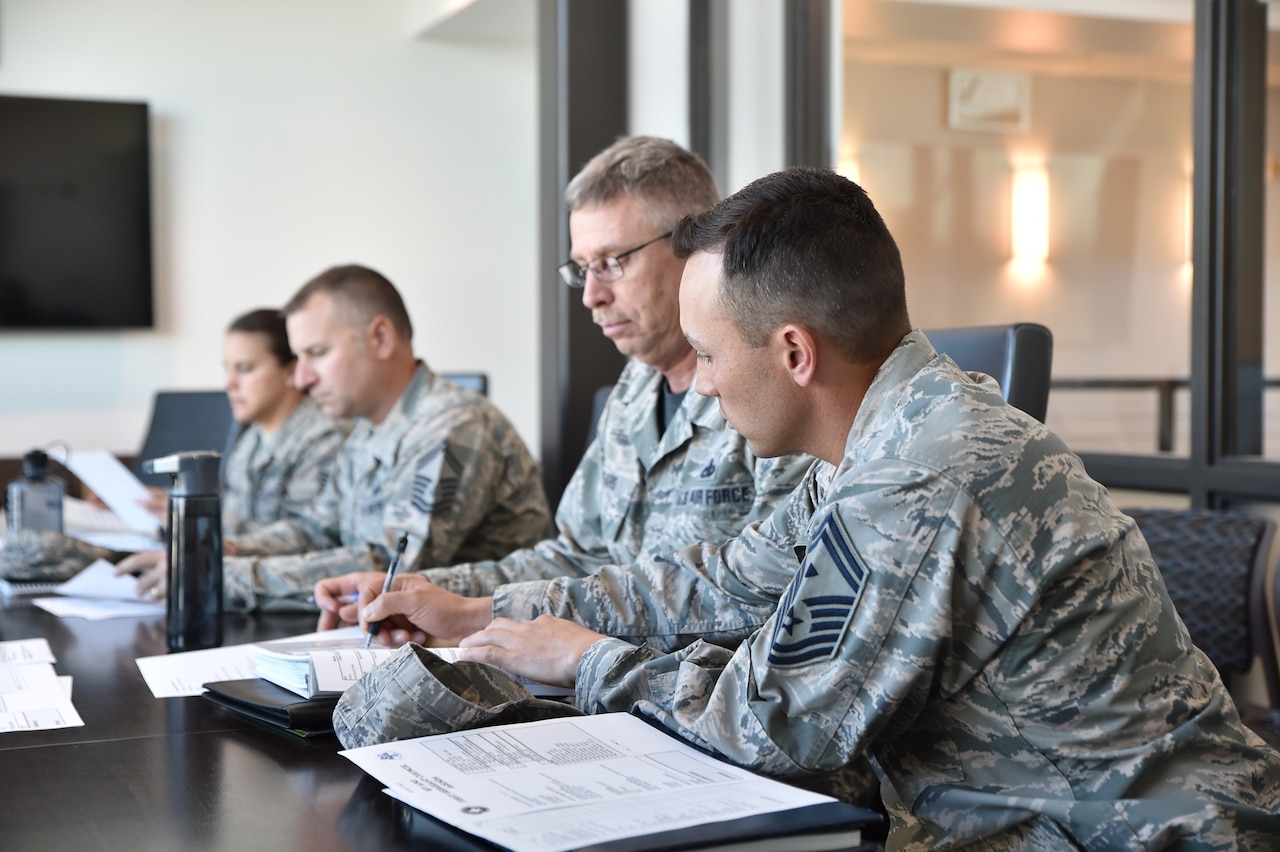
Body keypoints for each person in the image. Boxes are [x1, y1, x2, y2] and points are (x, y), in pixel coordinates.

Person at [355, 168, 1280, 846]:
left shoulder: (921, 472)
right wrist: (499, 616)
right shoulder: (885, 435)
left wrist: (592, 663)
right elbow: (724, 582)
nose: (704, 389)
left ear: (795, 354)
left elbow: (778, 726)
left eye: (711, 357)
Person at [313, 137, 814, 654]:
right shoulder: (633, 389)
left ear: (692, 247)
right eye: (582, 269)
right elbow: (575, 558)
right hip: (603, 683)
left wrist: (475, 614)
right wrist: (430, 592)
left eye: (612, 262)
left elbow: (766, 596)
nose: (592, 295)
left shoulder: (772, 385)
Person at [219, 263, 551, 611]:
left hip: (479, 648)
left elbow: (392, 570)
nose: (301, 379)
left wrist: (227, 578)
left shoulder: (454, 425)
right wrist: (225, 552)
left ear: (380, 338)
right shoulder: (365, 431)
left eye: (316, 353)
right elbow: (316, 530)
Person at [116, 308, 351, 599]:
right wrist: (165, 501)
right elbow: (237, 508)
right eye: (227, 369)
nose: (229, 383)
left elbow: (311, 537)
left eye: (245, 368)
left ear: (291, 371)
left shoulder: (325, 439)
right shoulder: (250, 437)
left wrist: (206, 529)